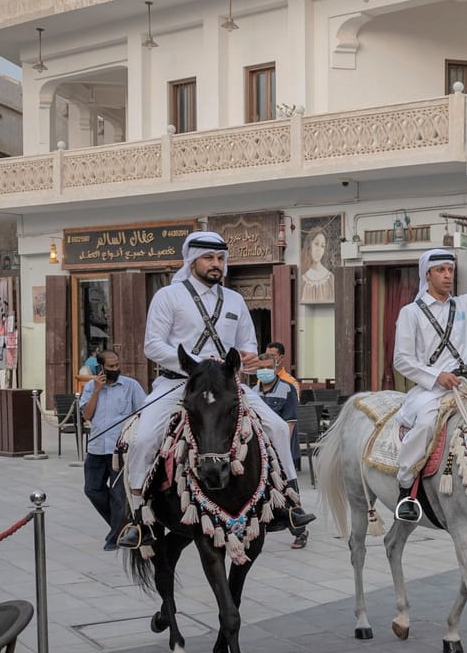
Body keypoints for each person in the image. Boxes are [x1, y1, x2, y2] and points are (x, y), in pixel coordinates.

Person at [118, 229, 315, 547]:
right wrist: (197, 362)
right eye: (209, 258)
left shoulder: (235, 299)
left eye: (221, 259)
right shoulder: (169, 297)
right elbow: (152, 346)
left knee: (278, 427)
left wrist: (248, 357)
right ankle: (138, 516)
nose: (216, 264)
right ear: (192, 260)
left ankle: (290, 504)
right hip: (179, 383)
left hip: (225, 386)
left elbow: (246, 341)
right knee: (143, 439)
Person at [391, 240, 467, 524]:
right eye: (441, 270)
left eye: (450, 269)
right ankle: (405, 488)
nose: (448, 275)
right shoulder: (410, 313)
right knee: (424, 426)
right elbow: (402, 359)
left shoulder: (464, 305)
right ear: (427, 275)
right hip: (430, 391)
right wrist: (437, 376)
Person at [79, 349, 146, 551]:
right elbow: (87, 415)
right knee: (92, 489)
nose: (115, 369)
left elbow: (144, 411)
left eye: (117, 365)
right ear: (101, 368)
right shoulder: (91, 387)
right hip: (98, 447)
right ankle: (123, 526)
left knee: (119, 494)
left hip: (121, 450)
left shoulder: (131, 386)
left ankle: (115, 536)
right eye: (111, 366)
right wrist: (97, 390)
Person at [255, 347, 308, 548]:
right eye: (261, 368)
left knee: (288, 488)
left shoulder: (287, 389)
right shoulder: (253, 392)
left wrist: (281, 452)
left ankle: (300, 529)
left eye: (268, 367)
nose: (264, 372)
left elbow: (290, 423)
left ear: (276, 366)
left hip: (280, 448)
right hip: (259, 449)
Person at [299, 226, 335, 305]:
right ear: (309, 245)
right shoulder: (303, 279)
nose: (319, 249)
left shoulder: (330, 278)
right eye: (316, 244)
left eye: (322, 246)